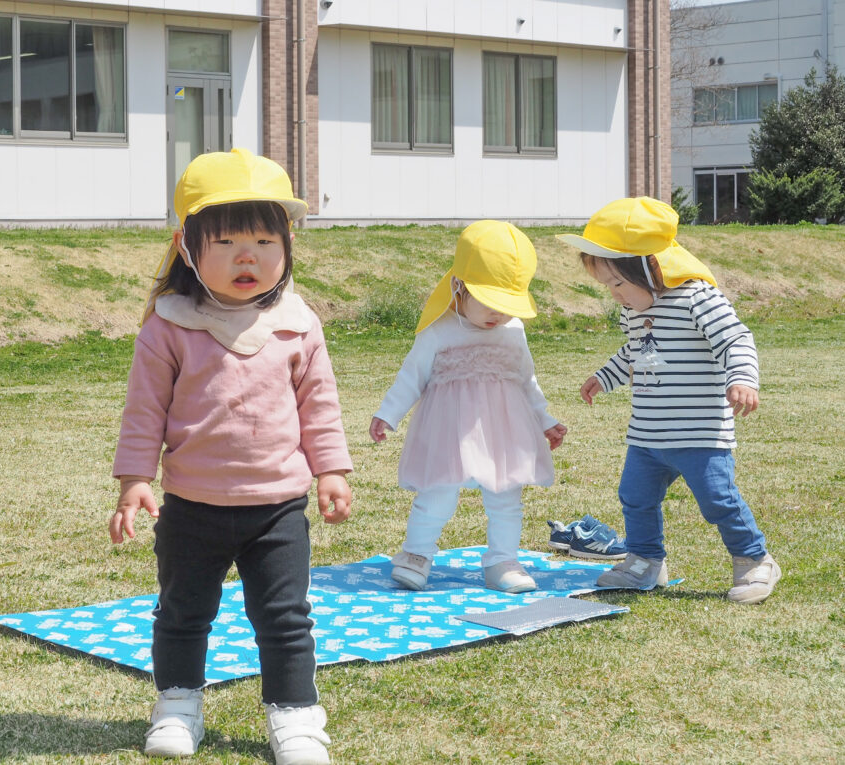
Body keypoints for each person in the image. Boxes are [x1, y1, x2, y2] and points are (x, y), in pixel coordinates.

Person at [109, 148, 353, 764]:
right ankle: (177, 705)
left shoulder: (298, 323)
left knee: (285, 618)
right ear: (187, 248)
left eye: (265, 242)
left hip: (278, 509)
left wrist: (330, 469)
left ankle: (295, 715)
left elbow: (319, 405)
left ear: (287, 246)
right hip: (192, 507)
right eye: (226, 243)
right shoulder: (169, 325)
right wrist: (135, 478)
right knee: (182, 613)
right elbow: (144, 410)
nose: (249, 257)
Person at [557, 196, 780, 605]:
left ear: (649, 268)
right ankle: (645, 561)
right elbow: (636, 351)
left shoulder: (697, 297)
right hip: (647, 435)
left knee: (718, 501)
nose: (614, 295)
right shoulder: (633, 309)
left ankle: (754, 559)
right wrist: (604, 377)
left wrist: (742, 378)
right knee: (635, 497)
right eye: (607, 286)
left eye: (618, 283)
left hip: (700, 435)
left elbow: (735, 338)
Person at [369, 220, 567, 593]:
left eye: (507, 306)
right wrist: (388, 414)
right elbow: (412, 375)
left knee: (506, 497)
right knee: (437, 492)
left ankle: (503, 560)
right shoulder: (439, 329)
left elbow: (526, 379)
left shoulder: (513, 331)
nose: (499, 315)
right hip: (450, 430)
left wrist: (545, 419)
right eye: (489, 303)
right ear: (459, 286)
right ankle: (416, 554)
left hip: (505, 431)